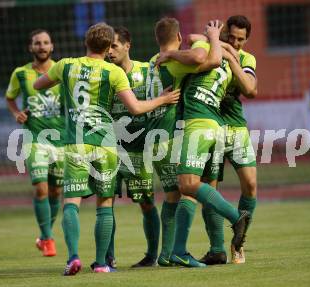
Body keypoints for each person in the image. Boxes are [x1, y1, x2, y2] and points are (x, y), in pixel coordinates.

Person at [33, 22, 179, 275]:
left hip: (79, 144)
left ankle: (73, 258)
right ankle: (102, 262)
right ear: (106, 45)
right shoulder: (113, 73)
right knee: (105, 204)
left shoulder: (66, 65)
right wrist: (163, 100)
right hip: (107, 146)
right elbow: (135, 107)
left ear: (86, 42)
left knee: (72, 203)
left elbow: (37, 86)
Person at [160, 15, 258, 265]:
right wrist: (219, 44)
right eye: (231, 38)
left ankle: (238, 240)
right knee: (205, 187)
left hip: (229, 126)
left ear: (247, 40)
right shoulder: (210, 45)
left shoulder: (245, 58)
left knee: (250, 185)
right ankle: (217, 249)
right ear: (225, 33)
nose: (235, 43)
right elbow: (195, 40)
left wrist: (230, 56)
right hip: (213, 125)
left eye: (240, 40)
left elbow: (251, 89)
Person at [145, 17, 222, 267]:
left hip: (154, 137)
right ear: (178, 38)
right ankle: (175, 253)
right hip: (170, 134)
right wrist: (211, 38)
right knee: (185, 191)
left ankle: (166, 255)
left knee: (171, 196)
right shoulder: (176, 62)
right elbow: (208, 60)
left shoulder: (150, 64)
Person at [107, 26, 180, 267]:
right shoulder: (103, 74)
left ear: (128, 45)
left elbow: (166, 94)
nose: (109, 51)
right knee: (105, 202)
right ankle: (107, 258)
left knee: (146, 202)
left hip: (139, 150)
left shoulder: (147, 71)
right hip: (110, 150)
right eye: (106, 47)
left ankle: (150, 256)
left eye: (114, 46)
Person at [6, 29, 64, 257]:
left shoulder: (62, 70)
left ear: (52, 47)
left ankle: (43, 235)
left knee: (55, 191)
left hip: (61, 140)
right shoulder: (20, 73)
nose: (42, 46)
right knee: (41, 189)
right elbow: (10, 97)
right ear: (31, 48)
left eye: (46, 42)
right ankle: (48, 239)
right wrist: (16, 114)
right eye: (37, 43)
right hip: (34, 139)